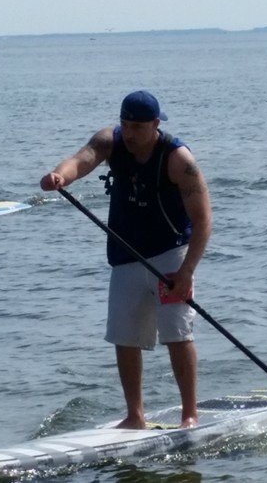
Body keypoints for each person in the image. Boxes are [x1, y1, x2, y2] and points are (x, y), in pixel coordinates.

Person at [40, 90, 213, 429]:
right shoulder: (111, 141)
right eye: (125, 124)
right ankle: (135, 415)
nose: (129, 133)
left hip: (170, 255)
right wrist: (60, 176)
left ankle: (189, 414)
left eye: (137, 126)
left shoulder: (179, 159)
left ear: (156, 124)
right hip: (125, 253)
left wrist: (187, 272)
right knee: (125, 336)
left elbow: (204, 220)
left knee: (177, 332)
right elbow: (83, 158)